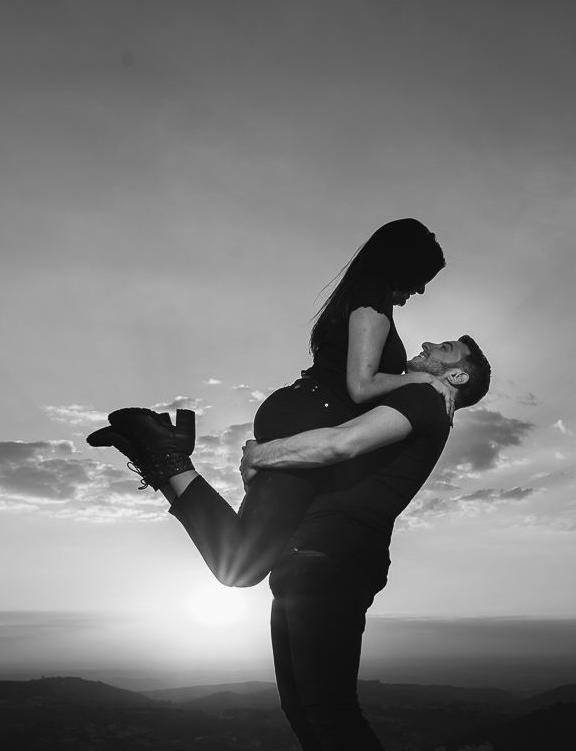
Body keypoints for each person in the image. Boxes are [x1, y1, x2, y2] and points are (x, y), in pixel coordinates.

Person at [96, 336, 492, 751]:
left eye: (447, 348)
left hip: (331, 562)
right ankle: (163, 456)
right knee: (304, 710)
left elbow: (338, 444)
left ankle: (166, 455)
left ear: (456, 375)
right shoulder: (420, 395)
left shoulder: (425, 400)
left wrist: (260, 455)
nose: (431, 342)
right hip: (310, 560)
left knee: (329, 713)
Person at [91, 218, 446, 587]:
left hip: (303, 413)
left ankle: (156, 454)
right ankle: (163, 449)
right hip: (308, 419)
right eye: (422, 277)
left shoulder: (360, 294)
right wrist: (421, 379)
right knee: (242, 565)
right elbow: (360, 385)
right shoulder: (373, 297)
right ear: (403, 264)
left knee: (242, 561)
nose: (420, 290)